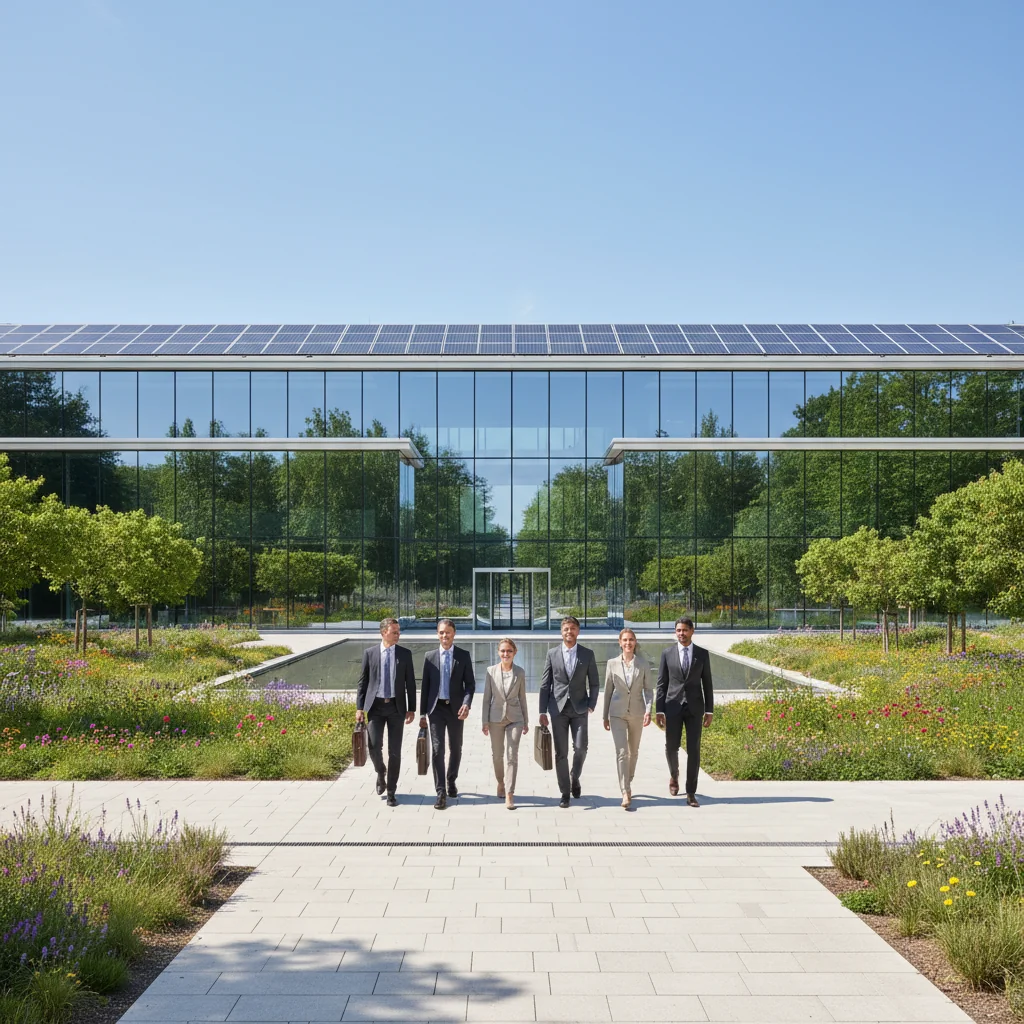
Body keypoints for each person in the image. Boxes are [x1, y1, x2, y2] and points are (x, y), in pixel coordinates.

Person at [538, 615, 600, 809]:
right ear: (561, 632)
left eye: (572, 629)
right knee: (560, 753)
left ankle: (574, 776)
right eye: (566, 629)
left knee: (581, 747)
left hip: (580, 708)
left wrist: (592, 703)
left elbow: (595, 682)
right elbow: (545, 684)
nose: (569, 632)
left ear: (578, 631)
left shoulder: (587, 654)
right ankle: (565, 793)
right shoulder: (552, 654)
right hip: (557, 709)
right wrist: (542, 711)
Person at [355, 617, 417, 807]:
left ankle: (391, 791)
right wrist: (359, 707)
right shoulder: (370, 653)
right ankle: (381, 772)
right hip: (375, 707)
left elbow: (411, 684)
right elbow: (363, 682)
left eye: (398, 631)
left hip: (396, 708)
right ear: (384, 633)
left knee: (395, 751)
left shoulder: (405, 654)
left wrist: (412, 708)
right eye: (395, 631)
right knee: (374, 746)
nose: (398, 635)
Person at [655, 616, 713, 806]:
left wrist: (709, 710)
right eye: (678, 630)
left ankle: (690, 792)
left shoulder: (702, 654)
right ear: (675, 632)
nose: (681, 633)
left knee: (694, 750)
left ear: (692, 631)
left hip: (695, 708)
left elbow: (708, 684)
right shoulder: (667, 653)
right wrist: (659, 710)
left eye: (685, 630)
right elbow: (662, 684)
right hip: (673, 706)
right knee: (671, 747)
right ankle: (674, 775)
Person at [419, 618, 475, 810]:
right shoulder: (429, 656)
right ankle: (440, 791)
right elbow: (425, 687)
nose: (445, 636)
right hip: (436, 709)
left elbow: (470, 685)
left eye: (448, 632)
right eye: (441, 632)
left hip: (456, 710)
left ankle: (451, 780)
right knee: (437, 750)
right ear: (438, 634)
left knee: (456, 747)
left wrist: (466, 704)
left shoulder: (463, 656)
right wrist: (421, 714)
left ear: (454, 633)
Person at [602, 627, 652, 810]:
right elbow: (607, 691)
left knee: (634, 751)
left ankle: (628, 779)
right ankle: (625, 790)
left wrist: (649, 710)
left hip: (637, 712)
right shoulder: (612, 663)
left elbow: (648, 690)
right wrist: (604, 716)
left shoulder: (643, 664)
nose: (628, 643)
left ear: (635, 642)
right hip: (616, 713)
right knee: (622, 752)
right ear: (620, 643)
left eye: (631, 640)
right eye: (625, 640)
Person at [481, 637, 529, 810]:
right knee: (497, 755)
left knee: (511, 755)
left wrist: (526, 720)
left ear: (515, 652)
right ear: (498, 652)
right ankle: (500, 782)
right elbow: (487, 698)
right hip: (495, 718)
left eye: (509, 651)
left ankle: (510, 793)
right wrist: (484, 721)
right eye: (503, 651)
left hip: (515, 717)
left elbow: (523, 697)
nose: (506, 654)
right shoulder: (490, 671)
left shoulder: (520, 672)